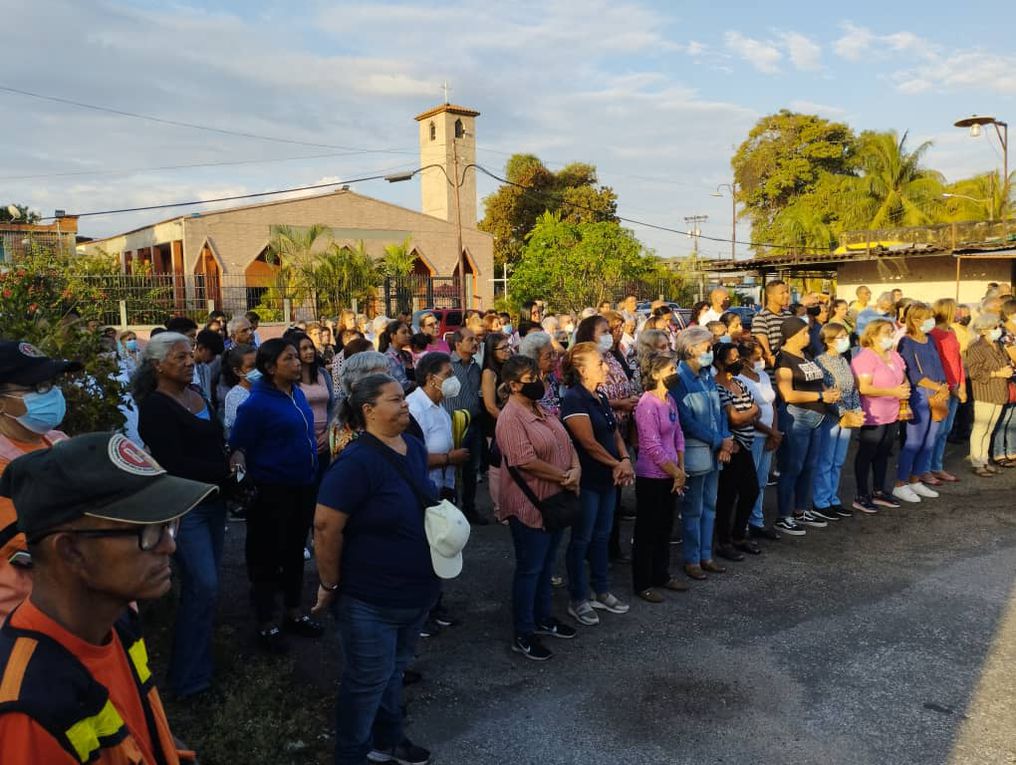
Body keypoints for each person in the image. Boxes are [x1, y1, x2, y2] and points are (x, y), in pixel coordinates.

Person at [0, 431, 215, 764]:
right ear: (71, 551)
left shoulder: (117, 624)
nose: (169, 546)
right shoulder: (28, 709)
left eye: (169, 525)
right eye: (147, 530)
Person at [311, 375, 441, 765]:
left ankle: (389, 740)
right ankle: (351, 755)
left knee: (394, 672)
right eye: (396, 400)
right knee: (367, 682)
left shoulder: (414, 448)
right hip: (368, 598)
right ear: (368, 410)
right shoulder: (356, 461)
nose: (405, 405)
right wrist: (329, 583)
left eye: (404, 398)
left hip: (414, 591)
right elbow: (325, 526)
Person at [132, 332, 233, 699]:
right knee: (203, 586)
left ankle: (198, 668)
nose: (190, 362)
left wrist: (233, 459)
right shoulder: (156, 407)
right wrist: (222, 471)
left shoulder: (196, 395)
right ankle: (189, 680)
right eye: (180, 358)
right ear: (158, 365)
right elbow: (174, 463)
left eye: (190, 356)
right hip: (185, 508)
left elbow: (215, 441)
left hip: (213, 502)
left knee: (204, 588)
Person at [229, 339, 323, 651]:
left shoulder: (295, 393)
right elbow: (239, 446)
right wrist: (243, 484)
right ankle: (266, 622)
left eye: (297, 357)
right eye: (290, 359)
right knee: (266, 557)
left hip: (303, 486)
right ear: (271, 368)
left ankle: (294, 612)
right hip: (272, 492)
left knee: (295, 551)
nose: (298, 363)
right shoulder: (255, 405)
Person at [496, 355, 580, 661]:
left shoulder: (541, 409)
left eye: (537, 376)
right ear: (514, 385)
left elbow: (566, 443)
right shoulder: (511, 417)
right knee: (530, 568)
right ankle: (524, 631)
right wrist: (563, 476)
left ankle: (544, 617)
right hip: (530, 504)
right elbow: (524, 460)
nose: (538, 382)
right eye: (530, 379)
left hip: (555, 500)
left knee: (546, 564)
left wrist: (575, 469)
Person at [0, 341, 79, 620]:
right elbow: (27, 546)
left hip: (71, 616)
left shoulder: (59, 444)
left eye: (50, 383)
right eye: (36, 388)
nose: (51, 394)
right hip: (17, 624)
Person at [559, 342, 634, 626]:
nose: (605, 366)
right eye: (599, 363)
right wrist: (617, 464)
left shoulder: (599, 396)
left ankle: (601, 590)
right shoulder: (574, 399)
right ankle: (578, 597)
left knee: (602, 536)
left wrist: (624, 458)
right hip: (588, 479)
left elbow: (613, 432)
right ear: (581, 369)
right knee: (582, 539)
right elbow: (587, 443)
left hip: (608, 478)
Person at [669, 326, 731, 579]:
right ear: (691, 349)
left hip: (716, 450)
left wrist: (725, 438)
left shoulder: (707, 375)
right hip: (696, 451)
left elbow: (719, 411)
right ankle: (692, 558)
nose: (711, 350)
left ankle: (707, 555)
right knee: (693, 507)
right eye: (707, 346)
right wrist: (719, 440)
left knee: (710, 505)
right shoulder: (679, 378)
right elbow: (685, 420)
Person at [775, 317, 840, 535]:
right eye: (804, 332)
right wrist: (822, 395)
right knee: (792, 467)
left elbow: (817, 379)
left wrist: (828, 393)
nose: (808, 336)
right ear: (792, 334)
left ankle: (801, 508)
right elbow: (787, 394)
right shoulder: (784, 358)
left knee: (809, 466)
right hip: (798, 418)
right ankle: (783, 515)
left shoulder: (806, 354)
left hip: (817, 416)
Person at [631, 353, 687, 602]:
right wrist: (675, 472)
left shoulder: (669, 400)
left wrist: (680, 469)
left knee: (665, 527)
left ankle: (661, 574)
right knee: (647, 530)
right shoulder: (647, 404)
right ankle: (642, 582)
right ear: (655, 374)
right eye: (670, 368)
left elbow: (678, 435)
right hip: (652, 476)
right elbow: (651, 446)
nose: (675, 372)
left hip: (672, 474)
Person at [850, 319, 908, 513]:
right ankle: (861, 494)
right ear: (873, 335)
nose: (891, 335)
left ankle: (879, 490)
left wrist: (904, 389)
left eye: (892, 332)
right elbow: (864, 387)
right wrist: (894, 392)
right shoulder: (865, 357)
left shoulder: (894, 355)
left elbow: (903, 376)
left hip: (892, 412)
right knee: (867, 453)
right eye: (886, 332)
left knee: (884, 452)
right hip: (873, 413)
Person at [892, 302, 949, 504]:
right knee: (914, 441)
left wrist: (944, 386)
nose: (931, 320)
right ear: (915, 319)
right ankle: (900, 483)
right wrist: (935, 386)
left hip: (938, 393)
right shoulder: (906, 342)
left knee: (930, 440)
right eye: (927, 317)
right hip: (920, 395)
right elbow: (911, 372)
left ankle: (916, 479)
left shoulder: (931, 338)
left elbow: (938, 363)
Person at [711, 342, 762, 561]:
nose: (737, 361)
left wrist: (749, 413)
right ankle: (724, 541)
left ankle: (739, 535)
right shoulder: (717, 386)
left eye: (737, 357)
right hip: (732, 447)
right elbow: (734, 418)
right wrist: (751, 412)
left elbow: (756, 413)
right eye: (731, 358)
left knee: (751, 490)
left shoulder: (739, 383)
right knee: (727, 495)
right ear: (719, 362)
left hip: (746, 446)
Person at [812, 323, 863, 519]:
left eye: (845, 336)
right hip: (831, 418)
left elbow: (852, 388)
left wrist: (856, 411)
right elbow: (826, 391)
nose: (845, 340)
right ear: (828, 340)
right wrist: (842, 412)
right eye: (840, 336)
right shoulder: (820, 362)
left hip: (847, 417)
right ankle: (821, 501)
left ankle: (833, 498)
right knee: (825, 460)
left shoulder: (843, 359)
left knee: (838, 461)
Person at [735, 339, 782, 540]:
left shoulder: (762, 375)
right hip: (752, 436)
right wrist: (770, 432)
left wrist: (774, 430)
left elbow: (771, 404)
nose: (762, 360)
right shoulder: (739, 379)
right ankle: (742, 524)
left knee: (762, 481)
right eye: (757, 358)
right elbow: (749, 413)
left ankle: (757, 521)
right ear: (744, 360)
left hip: (768, 436)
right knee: (748, 483)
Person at [965, 313, 1012, 477]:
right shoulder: (976, 347)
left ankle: (984, 460)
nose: (998, 330)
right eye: (994, 327)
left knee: (989, 429)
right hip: (985, 392)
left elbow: (1006, 363)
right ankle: (977, 462)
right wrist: (998, 374)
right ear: (983, 330)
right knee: (980, 428)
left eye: (998, 326)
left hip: (999, 392)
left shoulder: (998, 345)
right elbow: (975, 372)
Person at [287, 330, 336, 478]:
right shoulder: (290, 379)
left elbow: (332, 405)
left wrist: (329, 433)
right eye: (304, 348)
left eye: (311, 347)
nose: (309, 351)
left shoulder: (322, 374)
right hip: (302, 440)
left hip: (325, 438)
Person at [926, 298, 965, 483]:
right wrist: (951, 386)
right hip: (943, 388)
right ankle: (926, 468)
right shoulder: (934, 334)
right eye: (956, 309)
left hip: (956, 386)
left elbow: (957, 360)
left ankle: (937, 466)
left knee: (946, 430)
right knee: (936, 430)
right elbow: (939, 363)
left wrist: (962, 384)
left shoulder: (951, 331)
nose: (960, 312)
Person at [480, 332, 512, 507]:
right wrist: (508, 422)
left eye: (509, 346)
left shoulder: (508, 367)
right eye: (503, 348)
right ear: (492, 352)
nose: (508, 351)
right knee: (498, 468)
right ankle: (499, 506)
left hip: (508, 418)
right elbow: (490, 406)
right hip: (496, 424)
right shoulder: (489, 373)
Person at [751, 280, 792, 381]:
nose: (786, 295)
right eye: (782, 293)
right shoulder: (761, 317)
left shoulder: (789, 315)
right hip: (774, 374)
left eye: (787, 292)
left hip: (791, 369)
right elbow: (767, 352)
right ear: (770, 296)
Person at [520, 331, 562, 418]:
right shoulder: (528, 386)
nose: (554, 358)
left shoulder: (551, 377)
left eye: (554, 353)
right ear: (534, 360)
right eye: (548, 356)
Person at [222, 344, 258, 435]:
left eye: (259, 364)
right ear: (238, 371)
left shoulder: (267, 388)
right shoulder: (234, 397)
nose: (258, 370)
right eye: (251, 367)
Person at [378, 320, 414, 390]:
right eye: (404, 332)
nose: (408, 335)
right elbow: (403, 385)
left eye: (408, 332)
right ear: (393, 336)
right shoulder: (388, 357)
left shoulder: (407, 355)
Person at [192, 329, 224, 404]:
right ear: (201, 348)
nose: (214, 359)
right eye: (212, 355)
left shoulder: (206, 368)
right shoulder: (189, 369)